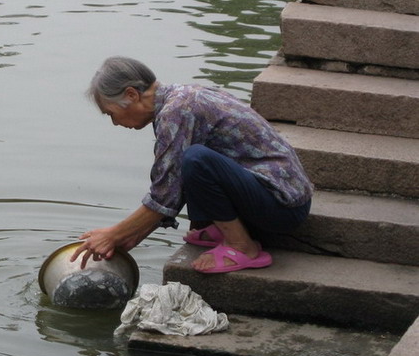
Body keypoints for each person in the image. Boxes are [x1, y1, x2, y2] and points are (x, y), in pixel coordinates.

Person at [70, 56, 313, 273]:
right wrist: (132, 236)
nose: (114, 123)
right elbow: (170, 182)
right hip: (263, 191)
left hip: (282, 203)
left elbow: (164, 196)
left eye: (111, 113)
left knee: (197, 159)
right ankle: (224, 227)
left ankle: (242, 245)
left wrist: (114, 234)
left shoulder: (177, 111)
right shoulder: (177, 100)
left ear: (131, 95)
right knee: (189, 160)